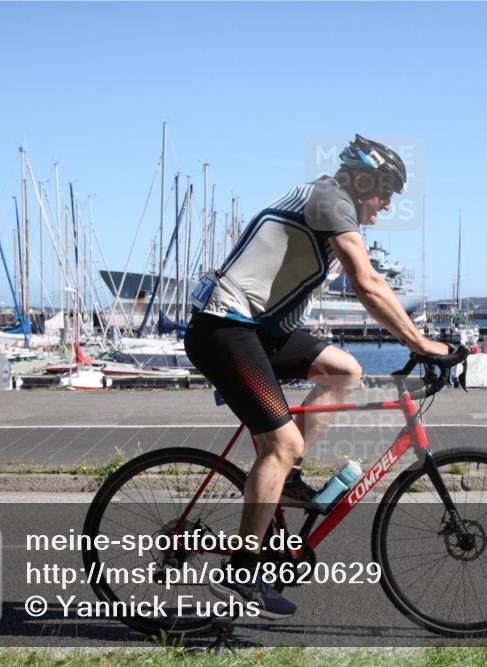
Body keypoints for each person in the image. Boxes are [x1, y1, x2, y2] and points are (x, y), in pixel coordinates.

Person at [184, 135, 452, 619]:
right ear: (361, 181)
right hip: (224, 328)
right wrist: (421, 343)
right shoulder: (329, 197)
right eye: (385, 192)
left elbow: (368, 281)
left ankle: (287, 479)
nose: (388, 204)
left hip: (256, 331)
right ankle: (241, 571)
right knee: (280, 443)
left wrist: (418, 338)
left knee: (344, 370)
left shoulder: (335, 207)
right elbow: (366, 283)